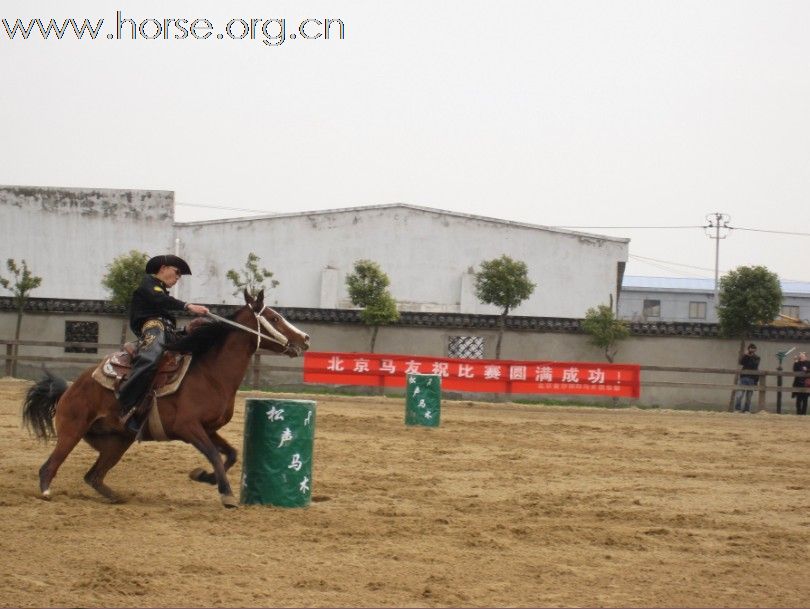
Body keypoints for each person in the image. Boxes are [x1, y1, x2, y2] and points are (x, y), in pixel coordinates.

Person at [117, 254, 209, 433]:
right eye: (176, 273)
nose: (177, 278)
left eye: (179, 276)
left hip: (166, 331)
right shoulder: (148, 285)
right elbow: (160, 300)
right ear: (163, 268)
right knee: (150, 359)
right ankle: (124, 405)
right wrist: (188, 306)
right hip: (153, 327)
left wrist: (185, 331)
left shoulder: (160, 292)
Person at [734, 343, 760, 413]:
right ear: (748, 349)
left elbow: (754, 365)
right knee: (740, 394)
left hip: (752, 378)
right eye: (750, 349)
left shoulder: (757, 357)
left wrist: (750, 356)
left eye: (753, 349)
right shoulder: (745, 356)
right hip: (743, 377)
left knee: (749, 396)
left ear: (755, 350)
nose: (752, 351)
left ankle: (746, 409)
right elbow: (741, 363)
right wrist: (746, 355)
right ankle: (737, 409)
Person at [792, 352, 810, 416]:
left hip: (806, 384)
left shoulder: (808, 363)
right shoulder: (797, 363)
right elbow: (795, 370)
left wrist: (807, 370)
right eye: (800, 356)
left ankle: (804, 414)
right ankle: (798, 413)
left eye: (802, 356)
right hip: (798, 383)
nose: (801, 357)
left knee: (805, 400)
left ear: (805, 357)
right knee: (798, 400)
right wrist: (795, 361)